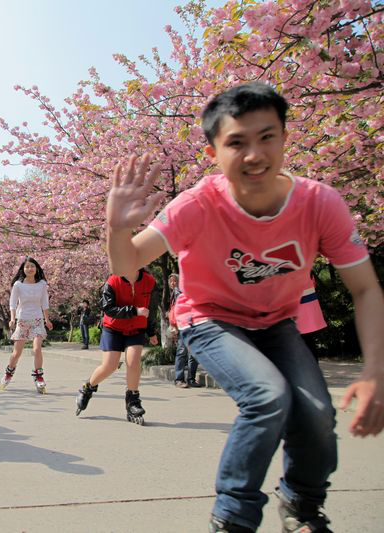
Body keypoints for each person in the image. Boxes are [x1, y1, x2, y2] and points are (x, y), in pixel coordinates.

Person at [105, 82, 384, 532]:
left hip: (276, 323)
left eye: (267, 137)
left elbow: (366, 289)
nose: (254, 155)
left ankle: (301, 505)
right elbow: (128, 265)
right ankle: (233, 518)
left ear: (285, 138)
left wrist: (375, 372)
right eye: (237, 143)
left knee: (317, 413)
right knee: (266, 395)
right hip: (209, 319)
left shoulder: (319, 203)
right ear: (213, 152)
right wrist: (117, 229)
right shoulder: (197, 204)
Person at [75, 270, 158, 423]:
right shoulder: (113, 281)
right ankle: (88, 388)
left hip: (136, 327)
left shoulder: (149, 281)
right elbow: (108, 308)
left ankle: (133, 402)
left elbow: (150, 309)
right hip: (113, 327)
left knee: (133, 362)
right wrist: (134, 310)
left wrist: (151, 331)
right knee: (110, 366)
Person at [0, 257, 53, 393]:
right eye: (27, 267)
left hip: (37, 319)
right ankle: (9, 373)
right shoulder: (18, 285)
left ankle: (38, 376)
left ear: (37, 268)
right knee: (17, 353)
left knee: (37, 349)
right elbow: (13, 303)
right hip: (23, 319)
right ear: (23, 269)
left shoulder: (42, 284)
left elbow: (45, 302)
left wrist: (47, 319)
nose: (30, 269)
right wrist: (12, 319)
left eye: (32, 266)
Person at [169, 273, 202, 388]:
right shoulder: (176, 293)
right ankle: (180, 379)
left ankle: (189, 379)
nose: (173, 283)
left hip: (192, 324)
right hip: (183, 325)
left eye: (175, 281)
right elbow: (176, 311)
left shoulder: (186, 291)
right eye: (171, 281)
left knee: (191, 353)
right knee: (183, 352)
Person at [296, 271, 327, 361]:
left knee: (303, 343)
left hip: (300, 313)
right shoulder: (309, 273)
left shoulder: (292, 275)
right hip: (310, 314)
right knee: (309, 342)